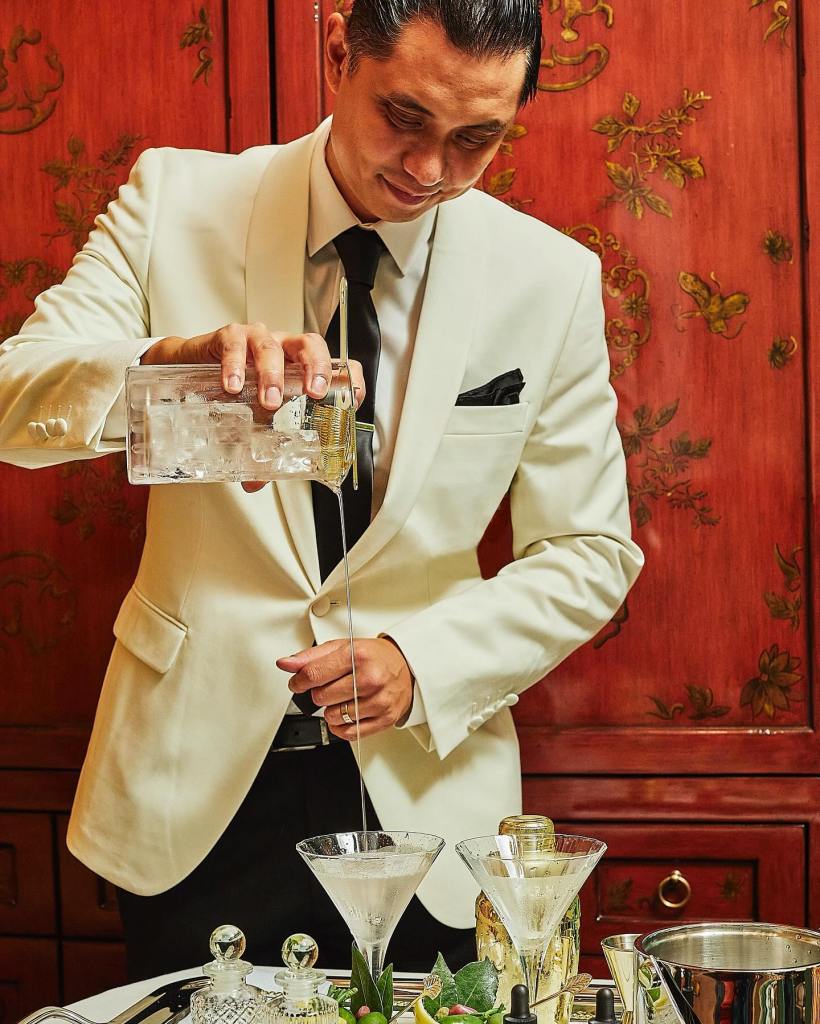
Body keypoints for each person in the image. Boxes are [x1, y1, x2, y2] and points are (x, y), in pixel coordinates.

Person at [0, 0, 643, 981]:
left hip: (431, 803)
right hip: (196, 799)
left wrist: (420, 658)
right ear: (338, 48)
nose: (431, 170)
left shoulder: (548, 280)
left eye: (476, 139)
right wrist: (159, 364)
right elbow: (14, 396)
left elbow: (591, 551)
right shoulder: (175, 198)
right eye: (404, 117)